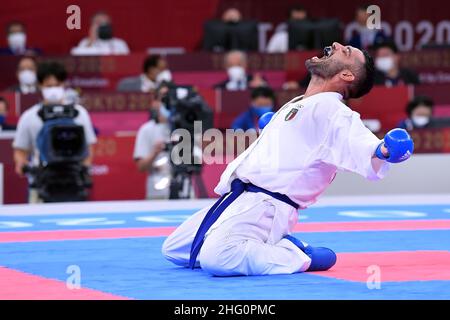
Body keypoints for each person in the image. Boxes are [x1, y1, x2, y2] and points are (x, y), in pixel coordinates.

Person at [162, 42, 414, 276]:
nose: (336, 45)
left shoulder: (334, 112)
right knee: (174, 249)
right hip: (236, 198)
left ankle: (297, 255)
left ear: (347, 76)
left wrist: (383, 150)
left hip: (267, 206)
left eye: (345, 51)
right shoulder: (297, 103)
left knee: (216, 258)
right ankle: (264, 243)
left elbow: (364, 145)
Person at [12, 61, 97, 203]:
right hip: (42, 184)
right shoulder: (30, 116)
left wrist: (84, 168)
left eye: (57, 85)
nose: (53, 89)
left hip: (74, 182)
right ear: (40, 86)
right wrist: (23, 165)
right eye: (48, 86)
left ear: (64, 84)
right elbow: (20, 150)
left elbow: (89, 147)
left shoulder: (79, 113)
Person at [133, 85, 171, 199]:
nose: (166, 102)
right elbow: (141, 167)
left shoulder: (186, 127)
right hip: (158, 193)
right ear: (154, 102)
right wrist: (155, 152)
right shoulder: (147, 129)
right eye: (163, 99)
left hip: (185, 191)